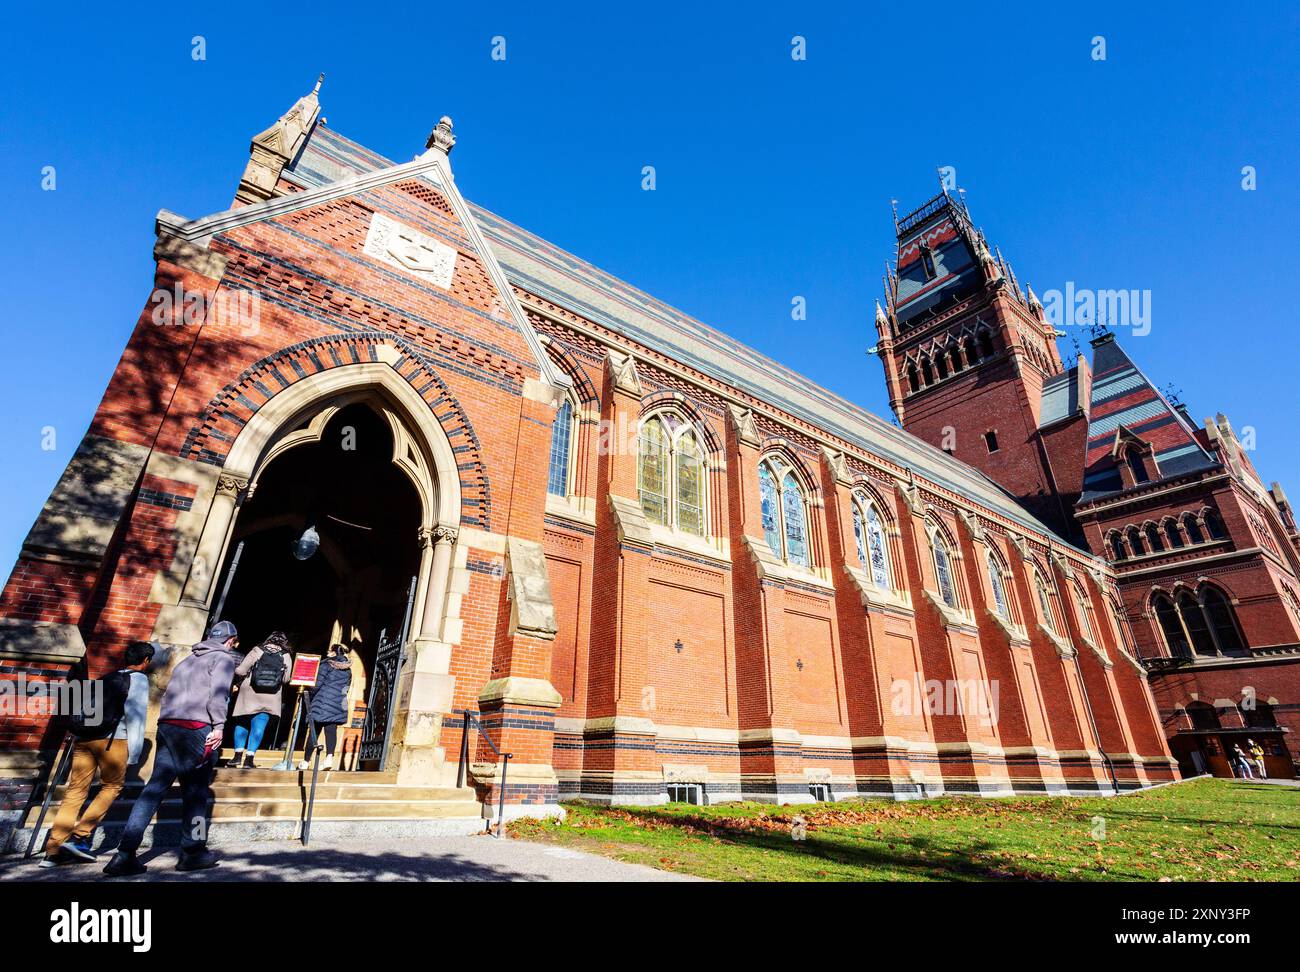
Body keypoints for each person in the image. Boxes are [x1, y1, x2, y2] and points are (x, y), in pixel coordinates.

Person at [103, 620, 241, 877]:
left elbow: (169, 695)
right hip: (197, 727)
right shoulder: (223, 659)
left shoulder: (187, 660)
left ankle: (124, 854)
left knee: (154, 788)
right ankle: (194, 851)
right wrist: (219, 726)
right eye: (233, 643)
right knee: (198, 793)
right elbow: (219, 694)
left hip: (168, 726)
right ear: (230, 641)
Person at [40, 641, 154, 868]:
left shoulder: (107, 677)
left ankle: (52, 850)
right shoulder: (139, 679)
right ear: (146, 661)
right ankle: (79, 837)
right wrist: (135, 753)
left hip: (84, 738)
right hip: (113, 740)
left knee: (75, 791)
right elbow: (136, 717)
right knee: (112, 786)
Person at [222, 631, 291, 769]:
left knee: (242, 722)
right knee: (259, 726)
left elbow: (241, 671)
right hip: (271, 696)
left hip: (250, 692)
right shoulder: (286, 655)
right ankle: (249, 759)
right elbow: (286, 679)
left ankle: (237, 757)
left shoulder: (257, 650)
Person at [299, 644, 352, 772]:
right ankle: (329, 758)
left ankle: (306, 761)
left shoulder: (326, 665)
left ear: (334, 652)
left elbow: (316, 685)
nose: (327, 652)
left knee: (314, 731)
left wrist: (308, 695)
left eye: (330, 650)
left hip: (322, 701)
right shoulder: (348, 669)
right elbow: (347, 687)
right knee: (331, 730)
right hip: (338, 702)